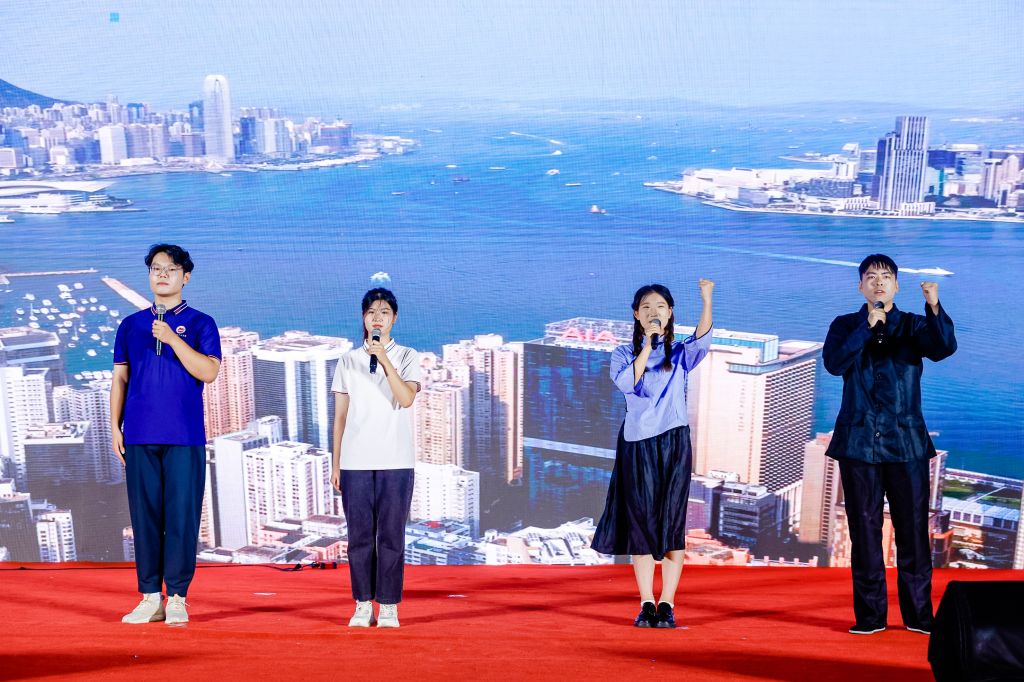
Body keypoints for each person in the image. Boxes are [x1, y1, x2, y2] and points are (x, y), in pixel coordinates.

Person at [823, 254, 956, 635]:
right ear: (860, 286)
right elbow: (834, 363)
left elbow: (943, 347)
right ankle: (870, 617)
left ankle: (919, 616)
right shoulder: (845, 325)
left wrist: (934, 305)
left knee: (912, 530)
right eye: (871, 277)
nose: (878, 282)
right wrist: (866, 328)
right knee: (864, 532)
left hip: (906, 443)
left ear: (897, 285)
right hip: (858, 443)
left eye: (886, 277)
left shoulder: (914, 325)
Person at [592, 279, 714, 628]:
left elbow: (703, 340)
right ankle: (646, 601)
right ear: (636, 315)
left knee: (672, 522)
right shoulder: (622, 353)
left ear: (670, 312)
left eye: (660, 306)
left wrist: (706, 299)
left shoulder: (680, 353)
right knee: (642, 523)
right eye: (646, 307)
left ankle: (667, 604)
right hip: (637, 444)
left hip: (674, 442)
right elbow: (627, 383)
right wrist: (647, 345)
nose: (653, 312)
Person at [112, 244, 221, 626]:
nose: (162, 275)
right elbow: (120, 379)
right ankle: (149, 597)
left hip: (184, 435)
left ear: (185, 277)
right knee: (144, 519)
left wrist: (174, 338)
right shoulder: (130, 325)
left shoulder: (201, 323)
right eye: (156, 268)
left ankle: (177, 597)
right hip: (139, 433)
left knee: (181, 518)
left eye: (171, 269)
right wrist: (114, 427)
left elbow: (208, 372)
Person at [331, 288, 422, 628]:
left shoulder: (408, 355)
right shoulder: (348, 360)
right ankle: (361, 604)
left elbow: (406, 398)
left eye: (384, 312)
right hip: (355, 462)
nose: (377, 318)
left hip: (395, 460)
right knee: (359, 538)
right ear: (363, 318)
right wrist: (336, 463)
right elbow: (340, 416)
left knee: (391, 536)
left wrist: (384, 359)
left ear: (394, 319)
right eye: (371, 312)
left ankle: (388, 605)